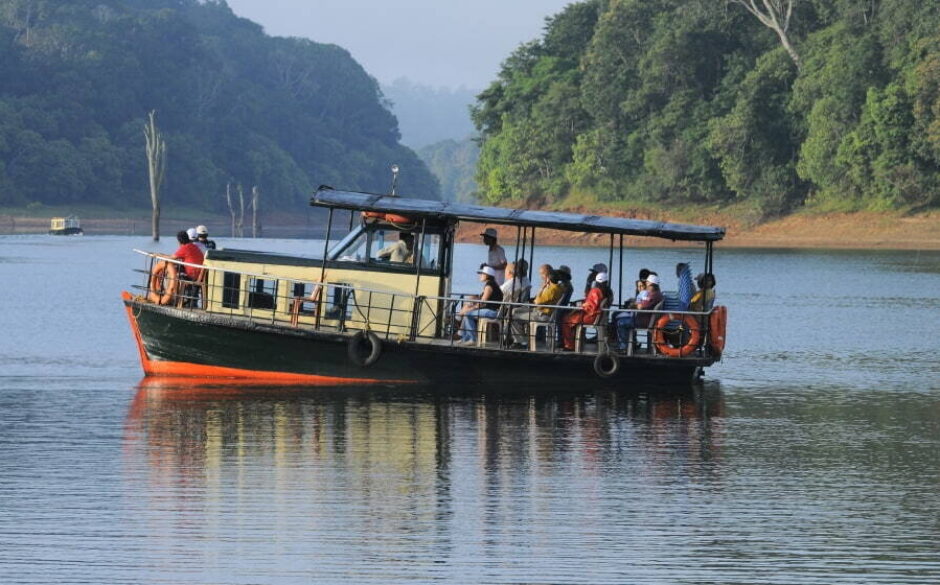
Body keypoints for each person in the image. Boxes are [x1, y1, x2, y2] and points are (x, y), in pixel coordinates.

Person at [510, 267, 564, 348]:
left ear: (549, 278)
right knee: (515, 311)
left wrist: (541, 289)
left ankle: (520, 342)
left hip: (542, 315)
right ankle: (521, 338)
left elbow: (537, 301)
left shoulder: (552, 290)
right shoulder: (559, 288)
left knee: (513, 317)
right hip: (541, 311)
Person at [146, 230, 205, 305]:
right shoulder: (193, 246)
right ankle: (174, 297)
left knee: (172, 271)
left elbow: (171, 258)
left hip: (191, 276)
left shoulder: (185, 248)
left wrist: (158, 255)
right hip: (199, 276)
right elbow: (176, 257)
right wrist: (161, 254)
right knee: (175, 268)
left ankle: (169, 297)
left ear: (179, 241)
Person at [561, 272, 613, 350]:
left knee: (566, 320)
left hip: (591, 317)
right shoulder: (608, 292)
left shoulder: (596, 291)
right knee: (571, 319)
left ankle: (569, 345)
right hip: (598, 316)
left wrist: (581, 306)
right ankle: (575, 342)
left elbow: (591, 307)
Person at [614, 274, 664, 350]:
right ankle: (632, 343)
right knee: (619, 316)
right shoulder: (657, 294)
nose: (646, 284)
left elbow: (641, 307)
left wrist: (633, 304)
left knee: (621, 322)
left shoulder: (652, 295)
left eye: (647, 282)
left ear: (650, 283)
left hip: (643, 321)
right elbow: (642, 304)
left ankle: (624, 347)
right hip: (646, 319)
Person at [457, 266, 504, 344]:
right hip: (491, 310)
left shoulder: (489, 286)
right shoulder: (491, 284)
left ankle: (472, 339)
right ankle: (465, 338)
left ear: (487, 275)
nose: (480, 276)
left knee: (468, 314)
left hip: (493, 311)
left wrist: (473, 308)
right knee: (467, 312)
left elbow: (483, 302)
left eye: (482, 274)